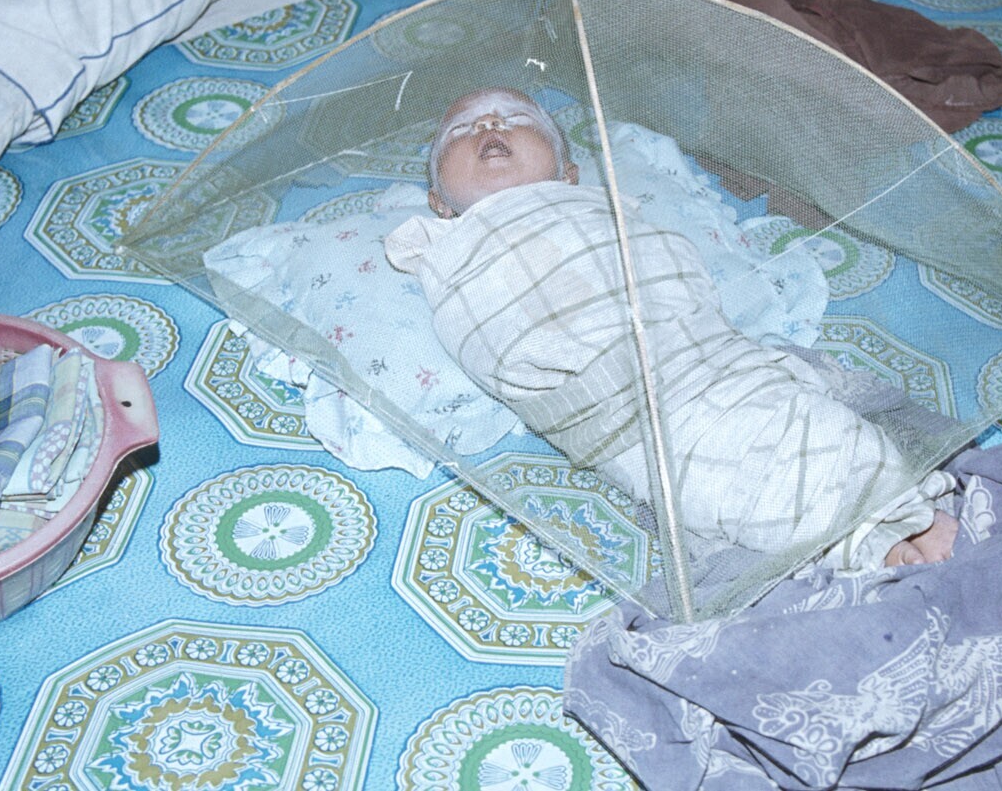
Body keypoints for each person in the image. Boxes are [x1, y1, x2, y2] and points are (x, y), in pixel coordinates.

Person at [392, 87, 956, 569]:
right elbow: (489, 334)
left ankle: (900, 507)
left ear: (568, 175)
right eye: (461, 130)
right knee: (711, 476)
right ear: (439, 202)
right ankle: (870, 543)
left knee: (802, 417)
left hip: (705, 356)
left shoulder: (601, 207)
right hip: (623, 412)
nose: (489, 125)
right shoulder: (441, 246)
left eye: (517, 119)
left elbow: (669, 266)